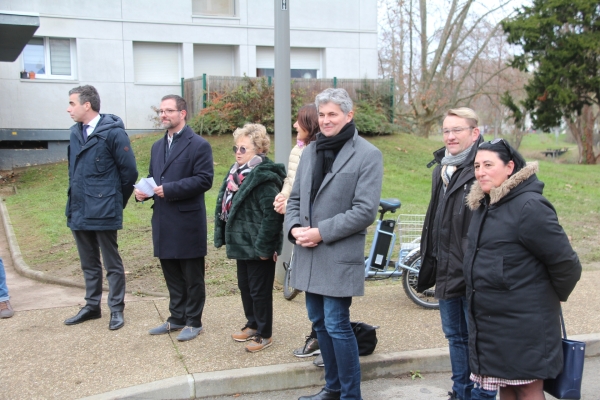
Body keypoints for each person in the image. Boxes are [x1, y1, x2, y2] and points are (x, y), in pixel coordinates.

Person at [464, 139, 581, 400]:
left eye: (488, 165)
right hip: (493, 322)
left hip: (526, 323)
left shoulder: (530, 207)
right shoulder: (485, 205)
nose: (480, 172)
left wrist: (547, 299)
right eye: (477, 166)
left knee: (528, 388)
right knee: (505, 385)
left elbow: (567, 264)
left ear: (510, 167)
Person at [287, 88, 383, 400]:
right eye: (323, 115)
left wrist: (320, 232)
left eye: (333, 114)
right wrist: (294, 231)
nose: (326, 120)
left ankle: (350, 395)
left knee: (337, 324)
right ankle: (333, 388)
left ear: (348, 115)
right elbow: (295, 200)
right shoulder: (310, 151)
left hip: (338, 253)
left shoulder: (368, 154)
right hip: (308, 253)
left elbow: (365, 211)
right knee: (319, 322)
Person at [416, 108, 493, 400]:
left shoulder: (484, 166)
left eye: (456, 130)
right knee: (455, 338)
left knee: (478, 340)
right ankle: (460, 392)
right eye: (446, 130)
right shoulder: (442, 169)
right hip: (447, 271)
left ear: (474, 133)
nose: (449, 136)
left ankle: (479, 395)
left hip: (474, 274)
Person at [135, 95, 214, 342]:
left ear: (183, 113)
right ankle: (176, 317)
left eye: (169, 110)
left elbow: (204, 179)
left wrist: (170, 189)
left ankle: (194, 321)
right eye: (161, 111)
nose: (164, 115)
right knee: (171, 275)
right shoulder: (157, 146)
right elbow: (154, 176)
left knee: (192, 276)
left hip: (187, 222)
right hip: (163, 220)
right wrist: (143, 193)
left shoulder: (198, 145)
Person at [64, 85, 138, 331]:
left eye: (72, 103)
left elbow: (129, 173)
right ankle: (92, 306)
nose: (68, 109)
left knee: (111, 263)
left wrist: (116, 202)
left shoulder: (113, 133)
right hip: (79, 209)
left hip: (104, 209)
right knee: (88, 263)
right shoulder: (75, 133)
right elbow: (73, 172)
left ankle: (116, 308)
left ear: (87, 105)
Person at [214, 123, 286, 353]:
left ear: (259, 150)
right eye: (236, 147)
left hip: (258, 244)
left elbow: (272, 216)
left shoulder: (264, 177)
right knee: (246, 287)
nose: (237, 152)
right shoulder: (237, 174)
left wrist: (265, 247)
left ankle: (265, 333)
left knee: (260, 290)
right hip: (242, 244)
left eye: (243, 148)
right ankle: (252, 324)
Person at [272, 104, 321, 359]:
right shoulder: (298, 149)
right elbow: (292, 181)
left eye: (299, 122)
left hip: (314, 225)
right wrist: (283, 197)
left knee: (321, 292)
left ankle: (319, 339)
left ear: (310, 124)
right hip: (299, 221)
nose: (294, 126)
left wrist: (289, 200)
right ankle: (318, 337)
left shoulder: (318, 152)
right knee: (312, 291)